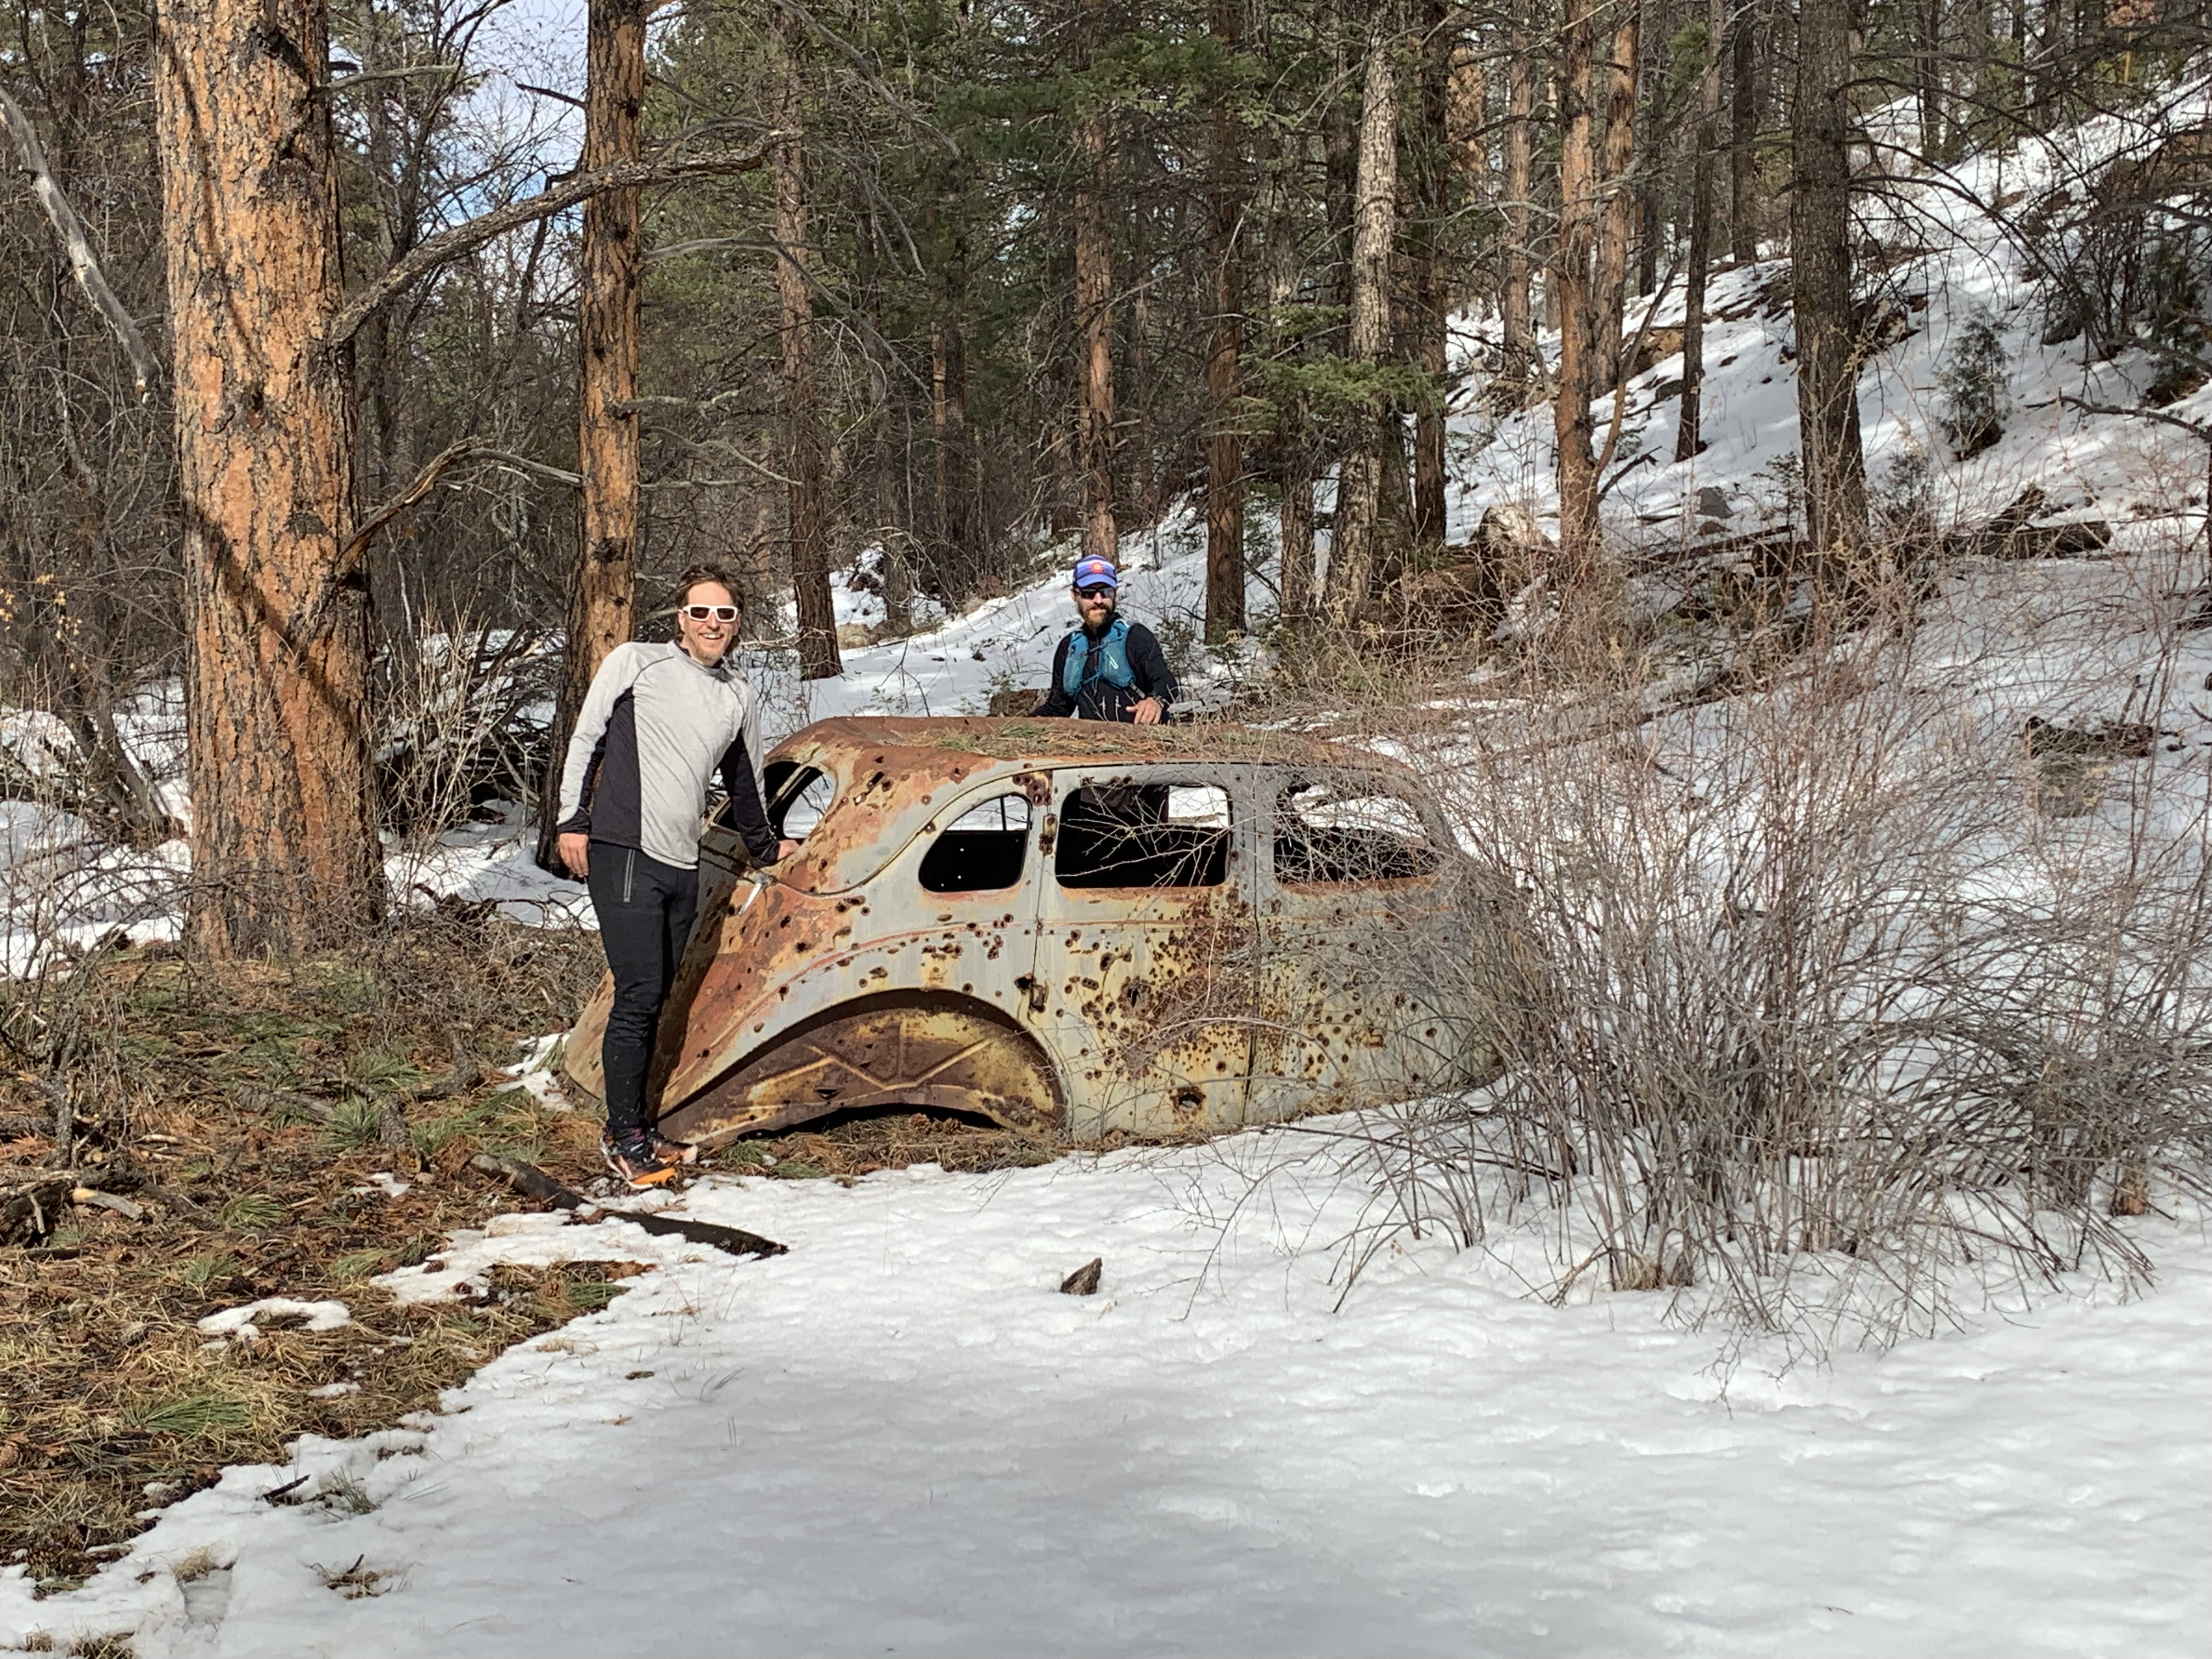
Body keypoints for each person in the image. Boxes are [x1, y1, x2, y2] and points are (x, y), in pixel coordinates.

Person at [556, 566, 796, 1187]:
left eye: (725, 615)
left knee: (659, 993)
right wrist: (572, 820)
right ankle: (624, 1137)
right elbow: (587, 739)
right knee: (639, 993)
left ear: (738, 624)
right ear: (679, 621)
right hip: (624, 848)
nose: (712, 624)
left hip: (681, 863)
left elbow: (745, 784)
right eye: (700, 613)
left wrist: (770, 849)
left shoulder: (736, 694)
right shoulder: (635, 662)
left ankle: (636, 1122)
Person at [1031, 556, 1178, 723]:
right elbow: (1059, 707)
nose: (1098, 600)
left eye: (1106, 592)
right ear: (1075, 595)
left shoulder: (1135, 636)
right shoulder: (1069, 648)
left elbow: (1167, 684)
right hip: (1091, 744)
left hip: (1143, 740)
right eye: (1089, 593)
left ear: (1115, 593)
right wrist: (1018, 726)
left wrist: (1155, 702)